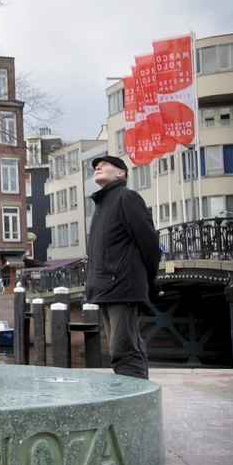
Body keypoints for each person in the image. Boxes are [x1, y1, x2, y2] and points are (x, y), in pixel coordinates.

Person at [85, 155, 160, 379]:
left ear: (121, 173)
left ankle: (136, 395)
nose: (98, 167)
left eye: (105, 164)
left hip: (122, 286)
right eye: (96, 166)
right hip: (105, 287)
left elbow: (149, 242)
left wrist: (147, 280)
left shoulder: (127, 198)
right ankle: (130, 392)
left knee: (125, 350)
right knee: (117, 350)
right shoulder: (102, 204)